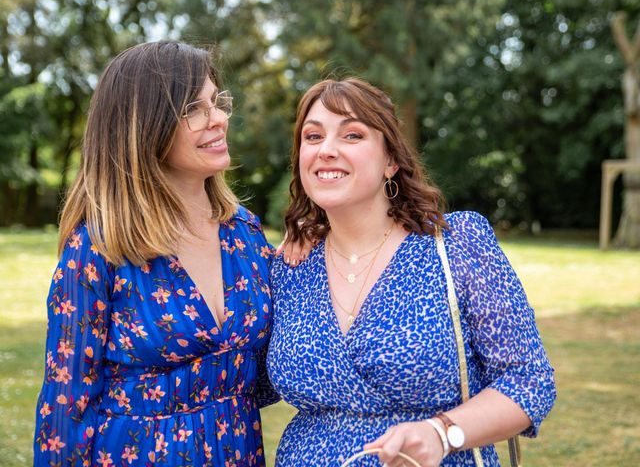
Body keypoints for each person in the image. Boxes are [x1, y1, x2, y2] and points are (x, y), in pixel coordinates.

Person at [267, 78, 556, 466]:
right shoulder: (288, 269)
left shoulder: (456, 244)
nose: (327, 150)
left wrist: (442, 432)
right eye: (313, 136)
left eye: (352, 135)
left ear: (391, 160)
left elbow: (529, 381)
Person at [33, 41, 280, 466]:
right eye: (194, 109)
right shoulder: (98, 249)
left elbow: (280, 365)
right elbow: (64, 412)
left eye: (217, 102)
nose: (219, 119)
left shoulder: (246, 235)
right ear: (144, 125)